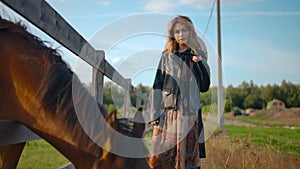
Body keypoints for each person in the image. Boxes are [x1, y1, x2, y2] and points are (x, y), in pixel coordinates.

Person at [148, 15, 210, 169]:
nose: (181, 34)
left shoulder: (198, 55)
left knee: (186, 159)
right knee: (162, 156)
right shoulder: (166, 56)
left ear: (190, 32)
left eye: (184, 30)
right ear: (173, 35)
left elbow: (204, 86)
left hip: (189, 114)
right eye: (177, 31)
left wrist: (200, 63)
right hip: (168, 113)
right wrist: (154, 112)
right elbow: (157, 85)